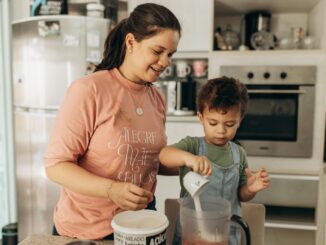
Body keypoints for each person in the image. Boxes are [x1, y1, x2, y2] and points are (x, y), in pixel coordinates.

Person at [44, 3, 181, 240]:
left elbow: (149, 160)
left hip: (140, 225)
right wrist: (111, 190)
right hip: (87, 231)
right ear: (130, 42)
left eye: (170, 54)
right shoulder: (89, 90)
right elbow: (56, 166)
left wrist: (197, 161)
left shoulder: (156, 98)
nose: (165, 62)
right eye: (157, 51)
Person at [159, 77, 270, 245]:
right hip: (191, 233)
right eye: (213, 123)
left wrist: (250, 188)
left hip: (226, 233)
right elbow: (164, 155)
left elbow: (240, 195)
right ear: (201, 117)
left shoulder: (239, 154)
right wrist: (189, 158)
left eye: (230, 124)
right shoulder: (193, 146)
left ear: (240, 121)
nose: (221, 130)